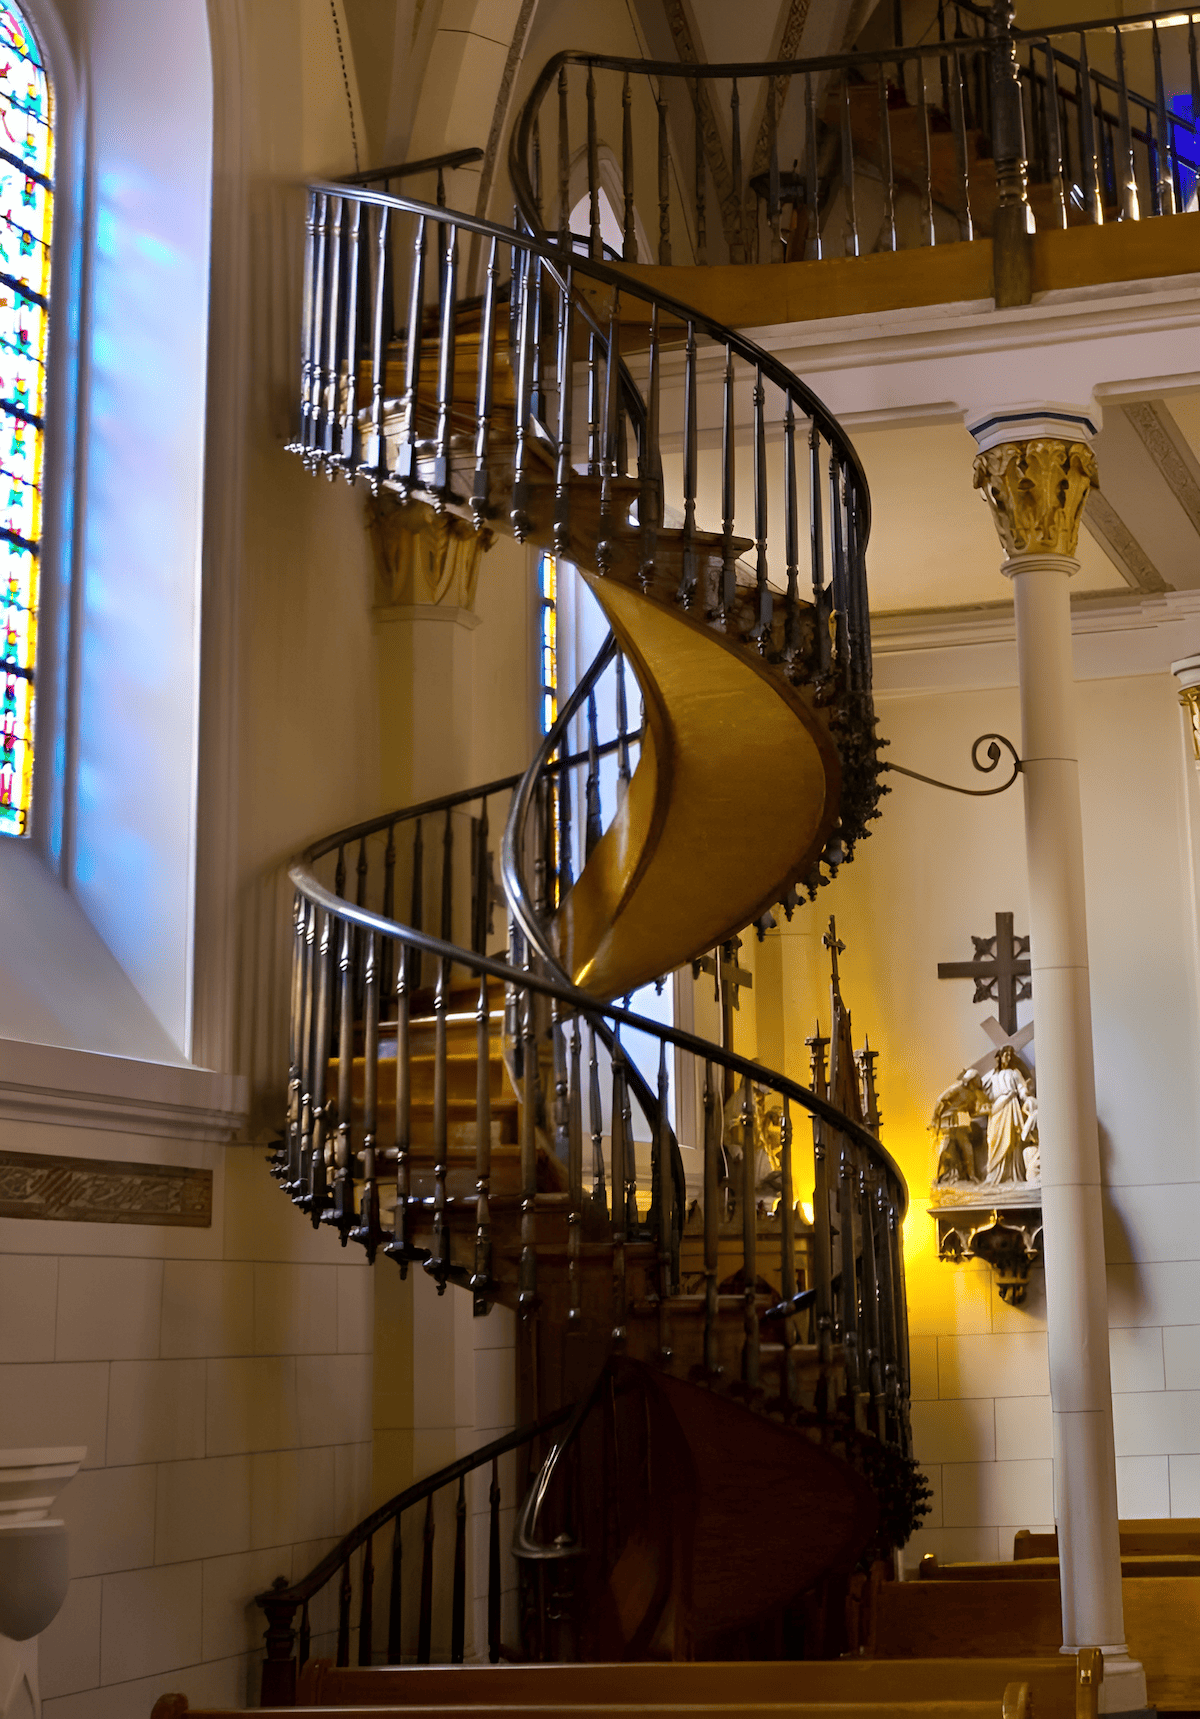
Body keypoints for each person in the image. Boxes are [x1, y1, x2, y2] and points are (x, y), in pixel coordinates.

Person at [981, 1045, 1035, 1184]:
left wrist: (1026, 1094)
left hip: (1011, 1107)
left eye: (1011, 1055)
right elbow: (979, 1086)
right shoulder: (992, 1075)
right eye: (1006, 1055)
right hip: (997, 1109)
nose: (1009, 1058)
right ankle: (994, 1173)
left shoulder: (1014, 1073)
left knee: (1011, 1138)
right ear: (1000, 1057)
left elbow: (1021, 1089)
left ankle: (1011, 1174)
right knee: (994, 1139)